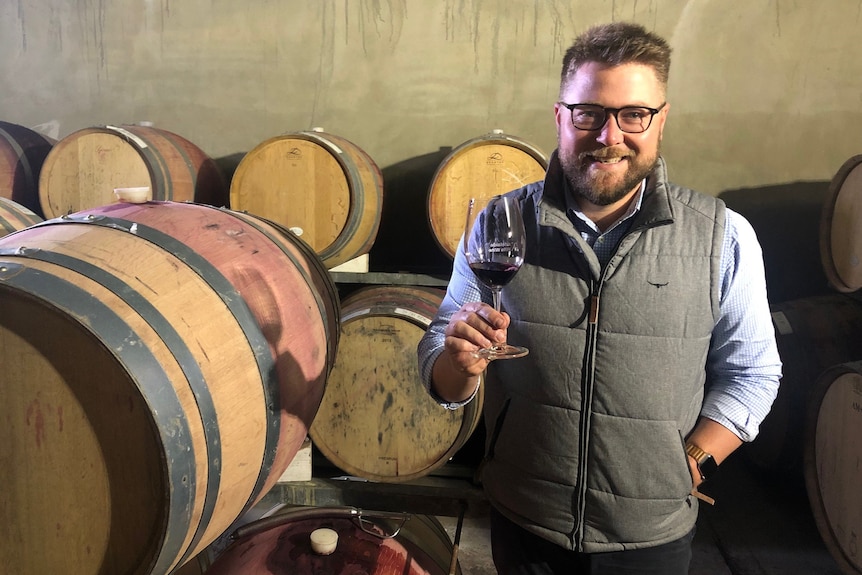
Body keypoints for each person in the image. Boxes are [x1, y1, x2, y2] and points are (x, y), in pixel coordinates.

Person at [417, 21, 782, 575]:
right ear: (560, 116)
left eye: (634, 114)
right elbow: (441, 356)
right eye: (588, 112)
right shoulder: (500, 220)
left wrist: (690, 461)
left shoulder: (723, 236)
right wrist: (460, 365)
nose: (609, 135)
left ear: (661, 120)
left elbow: (752, 371)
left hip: (650, 537)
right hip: (523, 518)